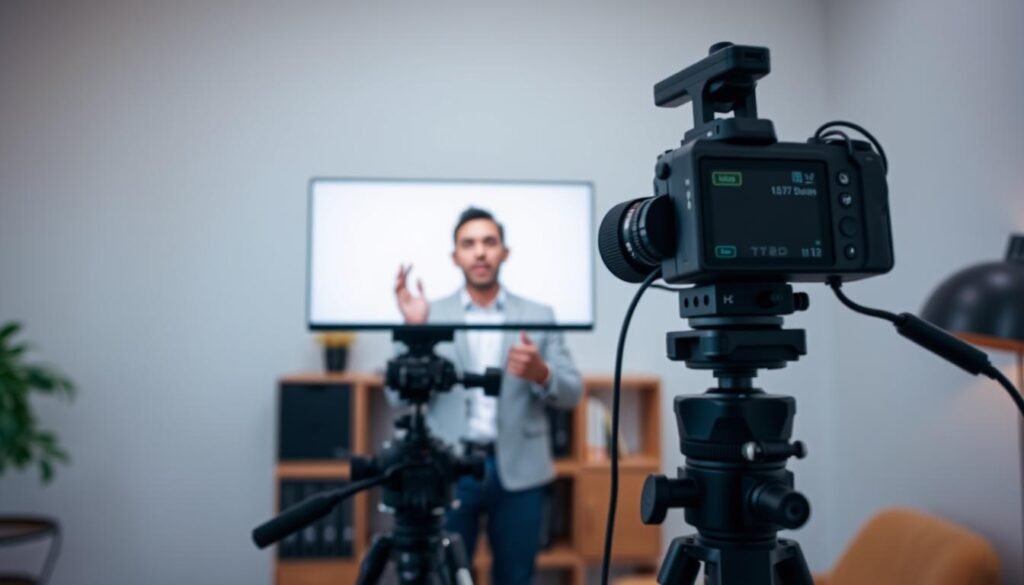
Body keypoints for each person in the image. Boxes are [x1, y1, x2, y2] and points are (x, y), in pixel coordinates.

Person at [392, 207, 582, 585]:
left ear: (504, 252)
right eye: (469, 244)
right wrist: (415, 334)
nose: (480, 252)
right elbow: (396, 397)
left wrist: (541, 373)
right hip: (448, 468)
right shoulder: (429, 313)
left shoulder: (539, 315)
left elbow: (573, 392)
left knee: (515, 577)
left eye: (489, 242)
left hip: (520, 471)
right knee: (440, 577)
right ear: (455, 256)